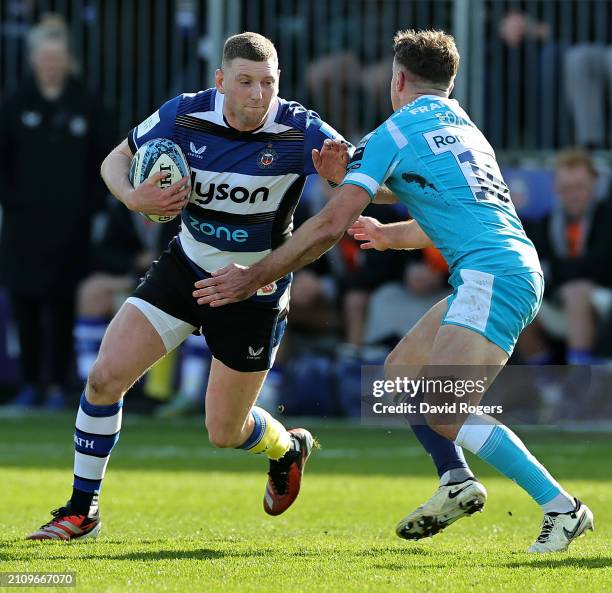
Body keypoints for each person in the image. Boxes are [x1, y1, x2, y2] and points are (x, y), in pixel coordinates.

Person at [194, 29, 594, 553]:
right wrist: (387, 233)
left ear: (397, 80)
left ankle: (561, 508)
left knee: (445, 406)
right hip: (505, 266)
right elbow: (443, 213)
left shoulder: (396, 131)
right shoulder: (466, 131)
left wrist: (260, 271)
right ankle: (454, 479)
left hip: (491, 274)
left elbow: (334, 222)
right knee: (400, 374)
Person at [27, 32, 348, 540]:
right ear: (220, 81)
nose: (257, 95)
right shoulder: (185, 113)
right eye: (244, 82)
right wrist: (134, 197)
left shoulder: (300, 128)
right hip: (185, 267)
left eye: (267, 83)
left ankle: (286, 449)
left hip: (252, 289)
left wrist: (340, 175)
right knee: (104, 378)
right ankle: (81, 510)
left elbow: (374, 187)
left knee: (225, 432)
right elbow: (114, 158)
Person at [0, 15, 112, 410]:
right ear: (34, 61)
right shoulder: (14, 105)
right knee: (26, 305)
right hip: (23, 227)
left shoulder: (87, 104)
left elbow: (106, 162)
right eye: (44, 58)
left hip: (72, 228)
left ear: (68, 61)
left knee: (65, 304)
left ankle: (59, 386)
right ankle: (30, 383)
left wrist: (91, 209)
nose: (50, 65)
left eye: (57, 58)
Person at [518, 149, 612, 366]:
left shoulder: (607, 216)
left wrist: (559, 271)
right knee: (517, 298)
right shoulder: (546, 223)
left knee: (576, 291)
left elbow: (602, 266)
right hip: (560, 299)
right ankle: (547, 388)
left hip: (603, 301)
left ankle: (579, 382)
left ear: (595, 183)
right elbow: (537, 269)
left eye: (579, 187)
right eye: (566, 188)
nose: (573, 194)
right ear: (556, 189)